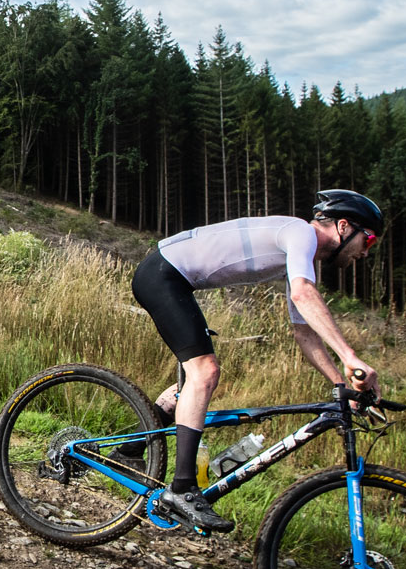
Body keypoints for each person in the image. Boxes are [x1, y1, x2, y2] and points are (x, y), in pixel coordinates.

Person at [130, 189, 385, 533]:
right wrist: (351, 358)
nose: (364, 254)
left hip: (175, 279)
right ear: (343, 226)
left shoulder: (303, 255)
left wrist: (340, 384)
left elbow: (304, 333)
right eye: (367, 242)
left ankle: (129, 448)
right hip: (163, 274)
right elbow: (302, 294)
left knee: (192, 384)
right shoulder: (300, 233)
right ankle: (182, 490)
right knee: (204, 371)